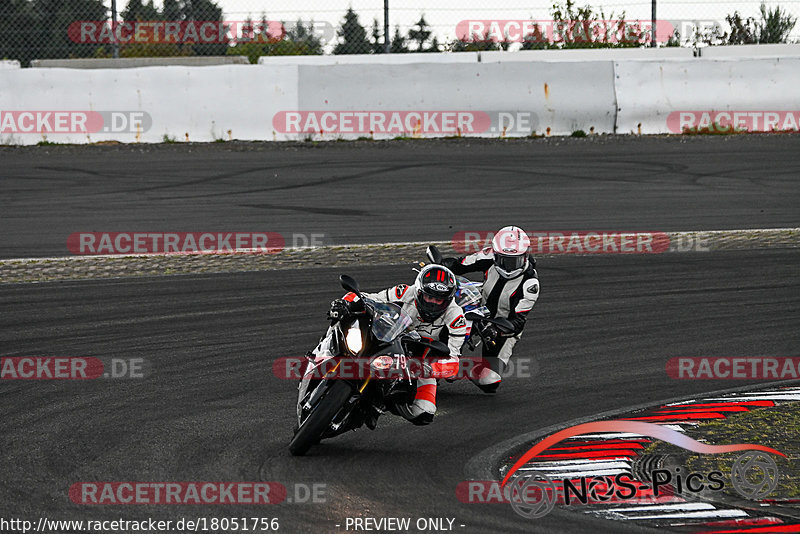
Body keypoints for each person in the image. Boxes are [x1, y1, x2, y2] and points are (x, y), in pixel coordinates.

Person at [327, 264, 466, 425]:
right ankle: (323, 354)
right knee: (345, 318)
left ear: (448, 300)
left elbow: (453, 362)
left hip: (419, 363)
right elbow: (370, 297)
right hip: (386, 339)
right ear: (419, 292)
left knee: (424, 413)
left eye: (439, 300)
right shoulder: (405, 292)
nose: (433, 303)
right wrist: (345, 302)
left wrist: (430, 368)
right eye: (429, 297)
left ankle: (384, 403)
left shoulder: (456, 317)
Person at [442, 225, 539, 394]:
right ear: (496, 255)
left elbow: (518, 322)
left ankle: (461, 367)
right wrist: (443, 265)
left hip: (502, 327)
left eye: (514, 261)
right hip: (476, 308)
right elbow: (460, 265)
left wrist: (495, 330)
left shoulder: (530, 284)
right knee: (448, 316)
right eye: (504, 260)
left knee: (490, 381)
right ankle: (440, 355)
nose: (509, 267)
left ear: (525, 256)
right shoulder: (487, 256)